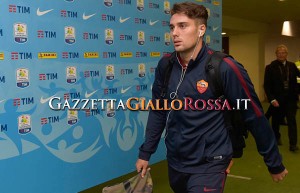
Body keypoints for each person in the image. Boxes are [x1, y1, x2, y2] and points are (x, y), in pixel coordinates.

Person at [136, 2, 288, 193]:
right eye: (172, 27)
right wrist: (146, 152)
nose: (174, 33)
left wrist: (273, 162)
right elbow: (158, 111)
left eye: (183, 26)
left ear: (201, 29)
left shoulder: (224, 67)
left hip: (210, 163)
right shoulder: (165, 66)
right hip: (176, 161)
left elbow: (254, 115)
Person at [264, 44, 300, 152]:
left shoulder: (292, 66)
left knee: (292, 121)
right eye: (279, 53)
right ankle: (276, 137)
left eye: (283, 52)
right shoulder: (270, 67)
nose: (281, 54)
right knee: (276, 120)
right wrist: (271, 99)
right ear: (276, 54)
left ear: (286, 54)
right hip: (277, 99)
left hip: (291, 99)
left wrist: (298, 90)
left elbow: (298, 78)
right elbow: (267, 85)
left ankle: (293, 144)